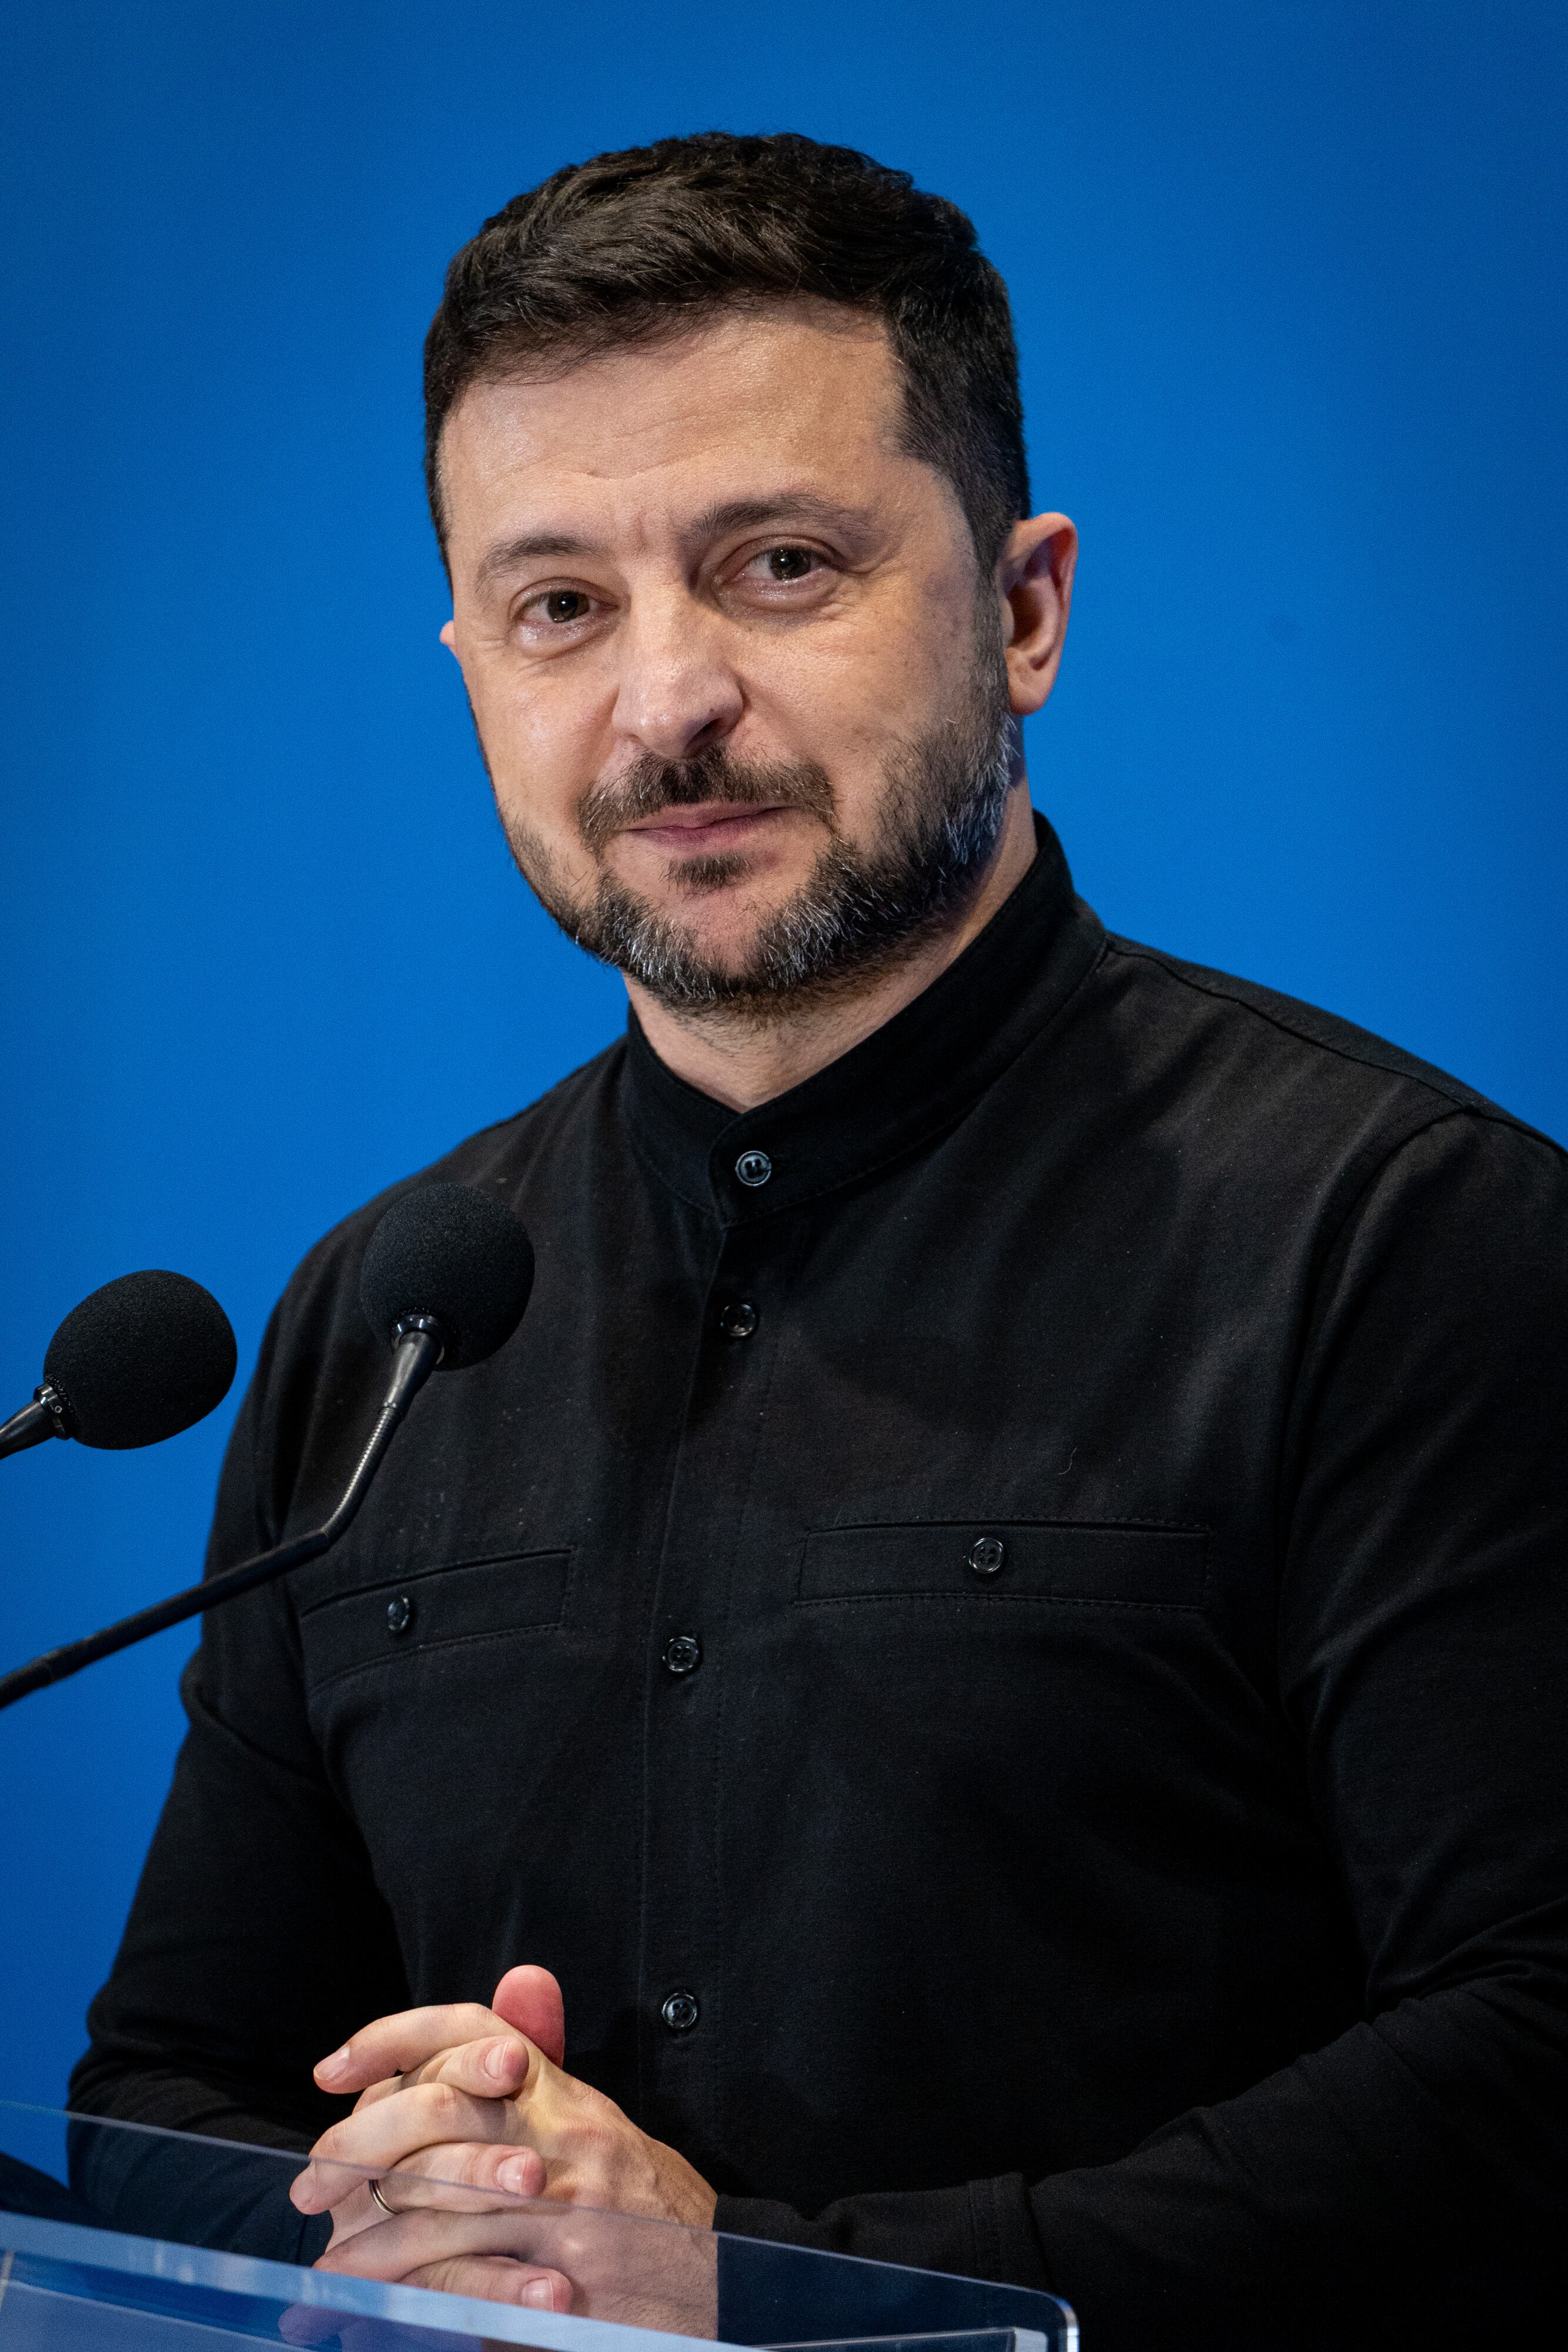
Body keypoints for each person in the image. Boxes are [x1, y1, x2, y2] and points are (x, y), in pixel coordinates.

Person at [71, 132, 1567, 2350]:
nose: (661, 703)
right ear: (472, 662)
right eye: (559, 605)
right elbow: (160, 2094)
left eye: (776, 565)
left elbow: (1534, 2063)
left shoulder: (1403, 1240)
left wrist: (750, 2297)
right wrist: (436, 2197)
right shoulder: (381, 1315)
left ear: (1027, 607)